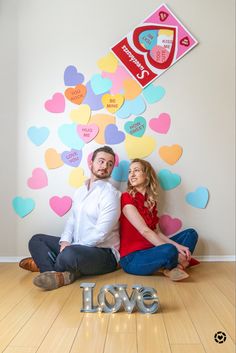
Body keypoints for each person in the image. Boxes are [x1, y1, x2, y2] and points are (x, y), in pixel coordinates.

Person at [19, 146, 120, 290]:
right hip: (76, 246)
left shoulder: (111, 194)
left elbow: (101, 233)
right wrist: (65, 241)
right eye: (101, 161)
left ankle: (47, 266)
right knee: (37, 240)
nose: (105, 166)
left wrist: (71, 247)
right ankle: (56, 274)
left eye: (110, 164)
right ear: (91, 163)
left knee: (69, 254)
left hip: (103, 253)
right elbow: (72, 220)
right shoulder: (80, 191)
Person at [119, 158, 198, 281]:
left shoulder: (150, 202)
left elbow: (156, 232)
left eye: (136, 170)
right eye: (130, 171)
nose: (132, 174)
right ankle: (176, 264)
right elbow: (144, 230)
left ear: (147, 175)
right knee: (169, 249)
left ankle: (173, 267)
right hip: (133, 258)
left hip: (153, 249)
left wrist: (177, 246)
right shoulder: (126, 197)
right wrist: (175, 252)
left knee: (191, 234)